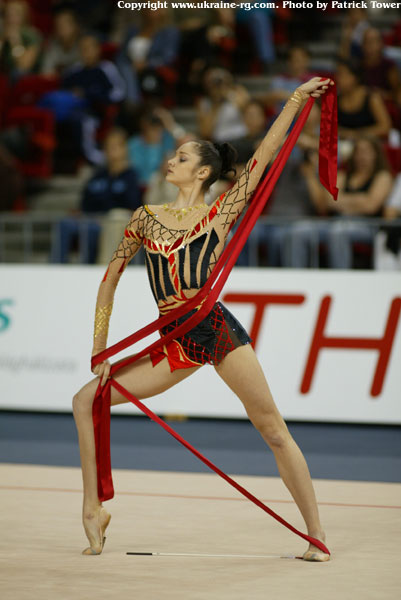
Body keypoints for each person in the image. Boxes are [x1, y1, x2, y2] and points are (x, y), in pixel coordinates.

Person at [72, 77, 332, 562]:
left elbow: (262, 160)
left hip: (215, 330)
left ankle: (316, 535)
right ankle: (93, 510)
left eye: (182, 157)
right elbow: (109, 280)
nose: (172, 161)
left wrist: (296, 100)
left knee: (273, 429)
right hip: (173, 339)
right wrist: (99, 349)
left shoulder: (219, 214)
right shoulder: (144, 217)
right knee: (86, 399)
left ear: (204, 171)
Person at [295, 136, 393, 269]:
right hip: (336, 221)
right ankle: (295, 274)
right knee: (299, 230)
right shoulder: (342, 175)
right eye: (358, 151)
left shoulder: (382, 176)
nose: (361, 156)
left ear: (376, 154)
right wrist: (360, 200)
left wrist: (341, 201)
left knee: (338, 231)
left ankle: (340, 275)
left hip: (368, 225)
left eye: (366, 151)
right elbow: (327, 202)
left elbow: (371, 206)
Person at [51, 128, 141, 264]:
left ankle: (90, 268)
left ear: (124, 149)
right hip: (91, 217)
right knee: (64, 224)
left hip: (114, 221)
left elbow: (133, 204)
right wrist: (82, 213)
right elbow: (86, 200)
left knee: (91, 229)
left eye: (115, 147)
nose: (110, 151)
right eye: (108, 147)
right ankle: (56, 265)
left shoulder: (130, 176)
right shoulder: (98, 175)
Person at [0, 0, 42, 79]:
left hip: (29, 78)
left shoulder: (31, 35)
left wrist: (15, 42)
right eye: (8, 14)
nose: (11, 18)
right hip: (7, 77)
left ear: (24, 16)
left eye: (16, 14)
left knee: (17, 72)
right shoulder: (3, 34)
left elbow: (24, 66)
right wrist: (1, 41)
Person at [41, 9, 81, 76]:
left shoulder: (84, 45)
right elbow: (47, 73)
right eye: (58, 25)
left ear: (75, 26)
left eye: (65, 24)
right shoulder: (52, 46)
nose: (61, 28)